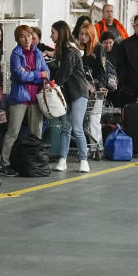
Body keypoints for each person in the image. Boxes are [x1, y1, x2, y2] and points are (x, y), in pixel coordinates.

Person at [0, 25, 50, 177]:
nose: (27, 39)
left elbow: (47, 72)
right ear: (18, 39)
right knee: (13, 132)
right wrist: (38, 75)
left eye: (29, 35)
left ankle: (36, 160)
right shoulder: (16, 54)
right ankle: (4, 163)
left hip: (36, 98)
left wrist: (32, 74)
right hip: (19, 98)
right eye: (22, 36)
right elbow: (20, 76)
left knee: (37, 132)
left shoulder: (38, 53)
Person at [49, 21, 91, 173]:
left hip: (79, 93)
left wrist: (53, 83)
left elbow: (64, 73)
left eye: (53, 32)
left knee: (77, 128)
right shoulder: (63, 51)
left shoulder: (70, 52)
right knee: (66, 127)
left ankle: (84, 160)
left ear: (60, 33)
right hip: (67, 94)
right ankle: (63, 159)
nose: (51, 35)